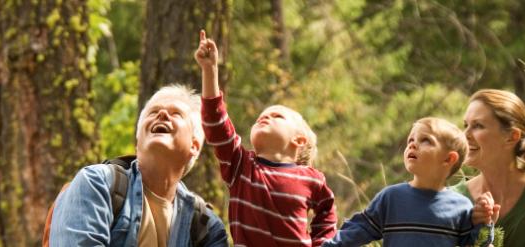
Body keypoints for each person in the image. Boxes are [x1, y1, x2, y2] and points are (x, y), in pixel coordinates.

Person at [195, 30, 337, 247]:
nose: (265, 117)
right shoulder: (240, 166)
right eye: (261, 117)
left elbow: (327, 213)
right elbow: (216, 124)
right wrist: (210, 70)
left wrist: (322, 244)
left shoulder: (312, 179)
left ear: (299, 140)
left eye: (276, 116)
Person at [48, 85, 229, 246]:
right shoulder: (97, 183)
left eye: (176, 113)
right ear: (138, 141)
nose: (162, 114)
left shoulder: (207, 228)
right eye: (153, 112)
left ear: (194, 146)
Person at [324, 117, 489, 246]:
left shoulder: (460, 206)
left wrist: (483, 222)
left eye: (426, 140)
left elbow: (478, 243)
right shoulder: (391, 197)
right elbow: (359, 229)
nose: (413, 145)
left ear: (448, 159)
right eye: (411, 140)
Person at [452, 89, 525, 246]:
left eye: (478, 126)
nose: (464, 135)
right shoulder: (453, 200)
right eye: (466, 125)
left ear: (512, 136)